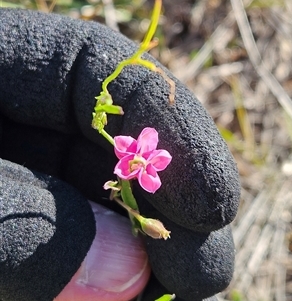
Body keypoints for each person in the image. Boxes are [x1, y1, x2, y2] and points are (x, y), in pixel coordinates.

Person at [0, 8, 240, 301]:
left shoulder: (137, 167)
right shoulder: (128, 162)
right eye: (137, 161)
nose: (140, 163)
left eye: (141, 162)